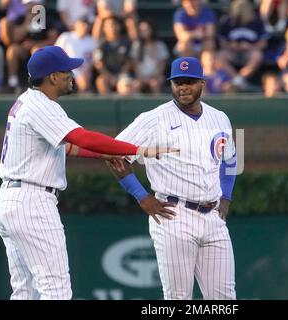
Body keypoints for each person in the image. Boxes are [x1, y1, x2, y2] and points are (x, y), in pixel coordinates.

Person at [0, 45, 175, 300]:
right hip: (31, 202)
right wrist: (138, 149)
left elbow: (67, 148)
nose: (72, 74)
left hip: (12, 200)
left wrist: (107, 153)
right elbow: (82, 138)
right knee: (56, 290)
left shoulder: (26, 101)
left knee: (25, 292)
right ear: (53, 77)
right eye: (67, 70)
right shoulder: (41, 105)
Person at [106, 57, 237, 300]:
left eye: (189, 82)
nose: (183, 87)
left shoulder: (220, 117)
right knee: (178, 297)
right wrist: (141, 196)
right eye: (178, 82)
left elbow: (230, 159)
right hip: (173, 213)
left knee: (224, 298)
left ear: (202, 83)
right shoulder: (153, 119)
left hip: (213, 215)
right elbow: (114, 155)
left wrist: (226, 196)